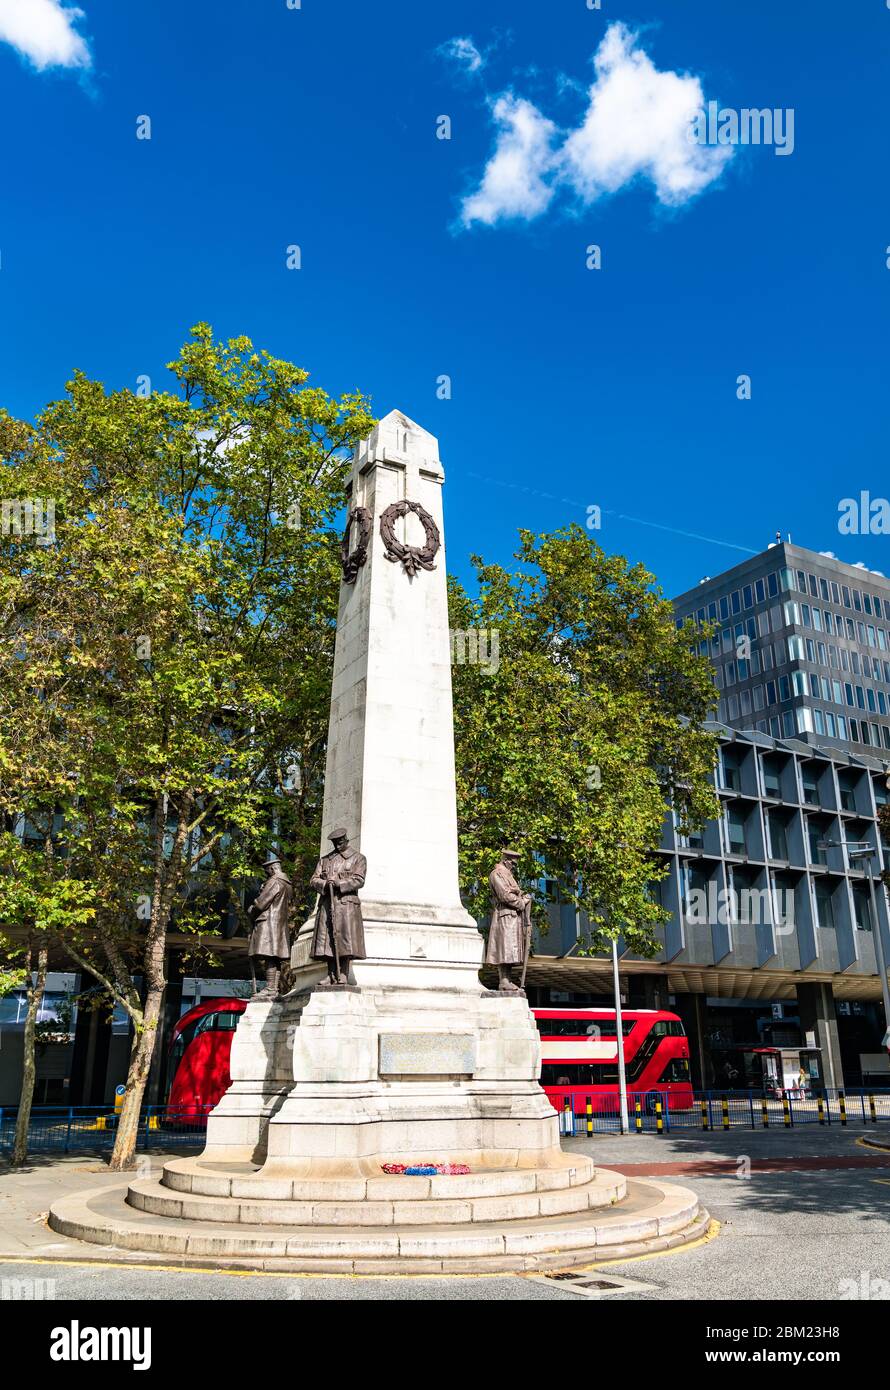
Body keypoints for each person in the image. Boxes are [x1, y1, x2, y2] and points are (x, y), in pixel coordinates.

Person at [310, 828, 367, 986]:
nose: (338, 845)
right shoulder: (325, 860)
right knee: (327, 940)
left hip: (345, 906)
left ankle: (343, 974)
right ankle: (330, 974)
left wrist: (339, 883)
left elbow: (359, 880)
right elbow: (313, 879)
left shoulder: (358, 858)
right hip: (328, 904)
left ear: (346, 840)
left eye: (340, 842)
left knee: (344, 940)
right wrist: (324, 883)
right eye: (335, 843)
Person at [485, 847, 532, 994]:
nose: (515, 866)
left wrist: (524, 897)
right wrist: (522, 902)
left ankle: (507, 980)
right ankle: (504, 981)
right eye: (513, 863)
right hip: (505, 917)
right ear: (506, 861)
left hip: (513, 917)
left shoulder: (508, 875)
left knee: (511, 951)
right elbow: (505, 895)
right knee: (504, 950)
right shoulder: (497, 874)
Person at [247, 853, 293, 999]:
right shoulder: (287, 883)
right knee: (275, 956)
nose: (267, 875)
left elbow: (261, 903)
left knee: (270, 956)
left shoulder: (274, 881)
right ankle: (273, 988)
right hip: (280, 924)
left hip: (269, 923)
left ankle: (270, 988)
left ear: (273, 869)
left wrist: (251, 910)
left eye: (268, 872)